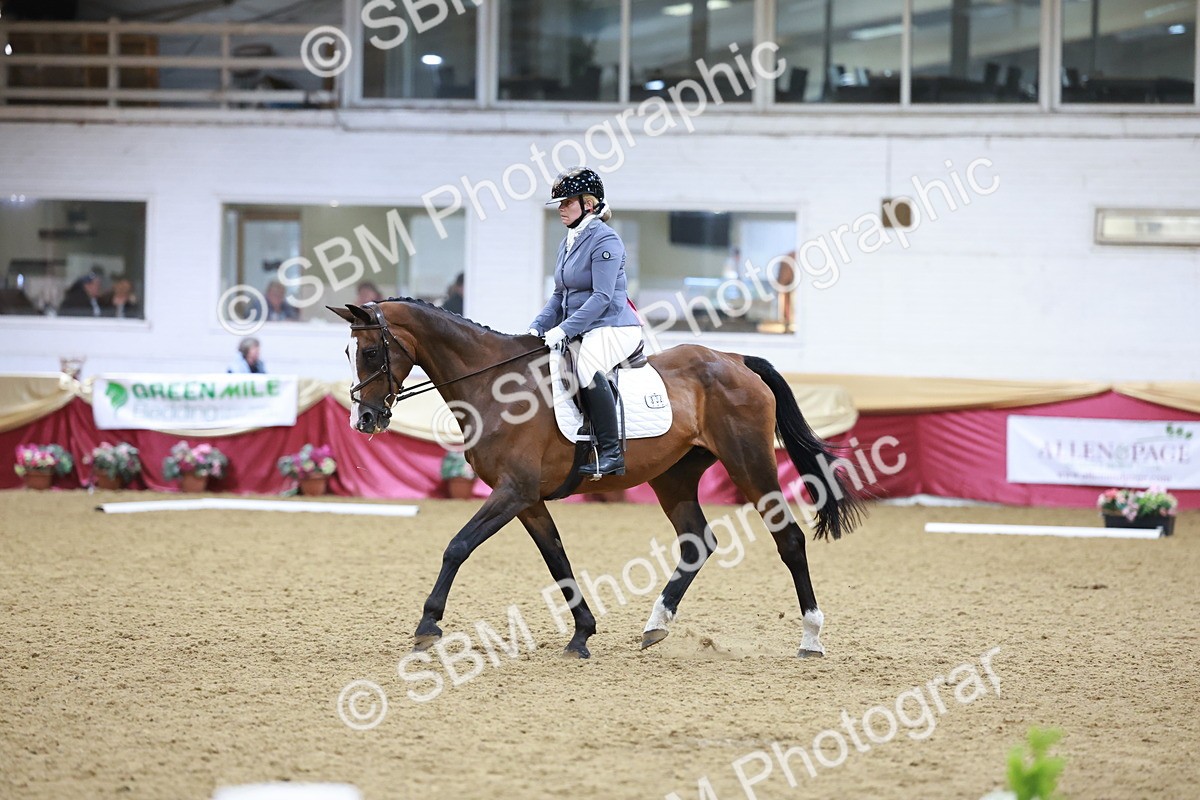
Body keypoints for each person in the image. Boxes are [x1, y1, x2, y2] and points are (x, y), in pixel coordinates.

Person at [528, 167, 642, 477]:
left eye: (567, 203)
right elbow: (559, 296)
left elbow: (602, 297)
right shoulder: (567, 242)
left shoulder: (605, 239)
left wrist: (564, 329)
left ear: (588, 204)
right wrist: (536, 327)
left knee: (587, 366)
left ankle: (611, 451)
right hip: (585, 326)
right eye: (560, 204)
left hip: (614, 325)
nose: (561, 209)